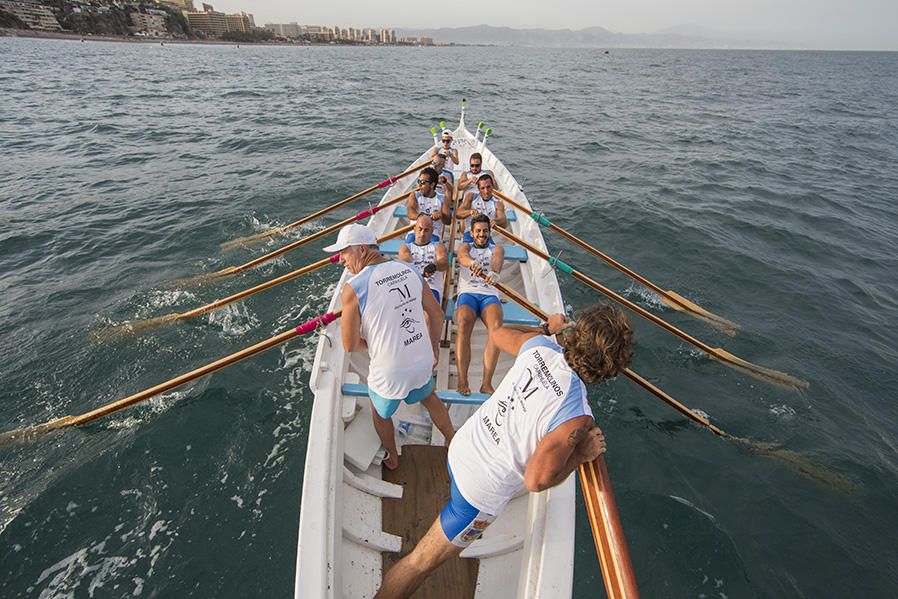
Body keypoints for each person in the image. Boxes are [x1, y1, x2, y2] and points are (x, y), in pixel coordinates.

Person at [375, 304, 634, 599]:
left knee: (421, 557)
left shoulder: (538, 346)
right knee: (419, 563)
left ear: (577, 333)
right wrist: (580, 455)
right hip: (478, 493)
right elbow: (535, 481)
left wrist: (547, 329)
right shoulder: (577, 415)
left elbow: (497, 335)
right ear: (610, 367)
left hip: (461, 448)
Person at [326, 223, 455, 470]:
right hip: (422, 360)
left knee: (380, 412)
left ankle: (393, 457)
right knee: (429, 396)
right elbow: (437, 314)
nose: (340, 259)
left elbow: (350, 344)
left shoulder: (353, 287)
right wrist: (433, 349)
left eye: (344, 252)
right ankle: (452, 439)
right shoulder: (410, 269)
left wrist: (377, 343)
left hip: (390, 372)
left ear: (362, 250)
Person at [454, 214, 504, 395]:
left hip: (488, 293)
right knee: (463, 323)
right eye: (478, 231)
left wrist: (495, 273)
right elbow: (462, 256)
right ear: (472, 233)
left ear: (489, 232)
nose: (482, 234)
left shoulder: (496, 248)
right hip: (468, 292)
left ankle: (486, 383)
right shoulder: (466, 246)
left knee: (496, 328)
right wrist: (471, 263)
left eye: (485, 231)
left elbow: (497, 259)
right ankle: (462, 380)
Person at [398, 213, 449, 308]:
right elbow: (406, 263)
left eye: (426, 230)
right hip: (411, 287)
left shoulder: (438, 246)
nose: (422, 234)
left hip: (431, 288)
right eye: (420, 229)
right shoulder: (405, 248)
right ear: (414, 229)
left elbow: (444, 262)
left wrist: (434, 266)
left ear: (432, 231)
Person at [406, 167, 451, 240]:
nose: (419, 185)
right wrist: (422, 217)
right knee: (409, 241)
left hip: (433, 232)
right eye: (419, 181)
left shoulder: (443, 199)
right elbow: (410, 213)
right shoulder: (414, 195)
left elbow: (448, 221)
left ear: (432, 185)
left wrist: (442, 215)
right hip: (415, 230)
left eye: (423, 182)